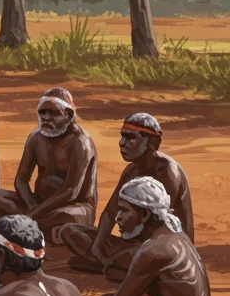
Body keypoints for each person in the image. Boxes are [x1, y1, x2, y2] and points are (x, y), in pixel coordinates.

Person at [62, 113, 194, 278]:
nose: (121, 143)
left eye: (130, 137)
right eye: (122, 136)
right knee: (69, 231)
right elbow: (110, 213)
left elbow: (158, 226)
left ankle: (112, 265)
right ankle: (112, 263)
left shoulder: (168, 171)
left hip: (164, 248)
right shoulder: (132, 171)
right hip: (133, 243)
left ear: (153, 142)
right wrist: (97, 247)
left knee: (127, 256)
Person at [0, 87, 97, 241]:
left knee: (66, 217)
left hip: (74, 207)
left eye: (53, 113)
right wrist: (32, 207)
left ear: (68, 115)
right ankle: (39, 227)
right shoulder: (35, 138)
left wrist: (32, 215)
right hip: (37, 204)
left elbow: (71, 191)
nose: (46, 117)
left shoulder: (81, 142)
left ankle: (24, 224)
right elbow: (21, 180)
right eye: (42, 112)